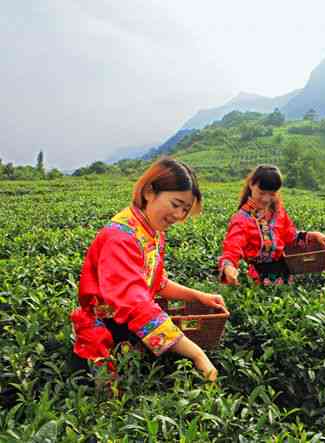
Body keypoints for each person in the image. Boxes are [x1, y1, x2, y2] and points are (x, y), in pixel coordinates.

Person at [70, 158, 226, 381]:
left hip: (126, 327)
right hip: (105, 331)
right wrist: (197, 354)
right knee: (112, 400)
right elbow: (135, 305)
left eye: (185, 209)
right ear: (149, 192)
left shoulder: (152, 232)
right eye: (175, 204)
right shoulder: (121, 237)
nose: (180, 215)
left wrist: (199, 297)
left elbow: (156, 282)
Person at [219, 164, 325, 286]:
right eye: (261, 193)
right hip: (256, 279)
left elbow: (290, 237)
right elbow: (232, 247)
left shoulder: (278, 213)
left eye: (272, 194)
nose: (266, 199)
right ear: (251, 185)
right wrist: (228, 267)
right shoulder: (242, 219)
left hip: (284, 273)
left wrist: (312, 235)